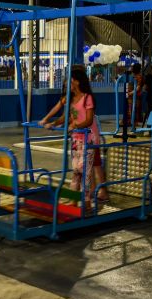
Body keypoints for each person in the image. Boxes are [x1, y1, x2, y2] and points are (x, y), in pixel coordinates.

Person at [44, 68, 108, 207]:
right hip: (76, 139)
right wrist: (53, 123)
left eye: (71, 80)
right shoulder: (71, 99)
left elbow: (89, 120)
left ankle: (86, 203)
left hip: (88, 138)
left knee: (85, 170)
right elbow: (65, 116)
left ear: (77, 82)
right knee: (76, 171)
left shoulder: (87, 98)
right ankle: (73, 201)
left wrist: (75, 125)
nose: (68, 83)